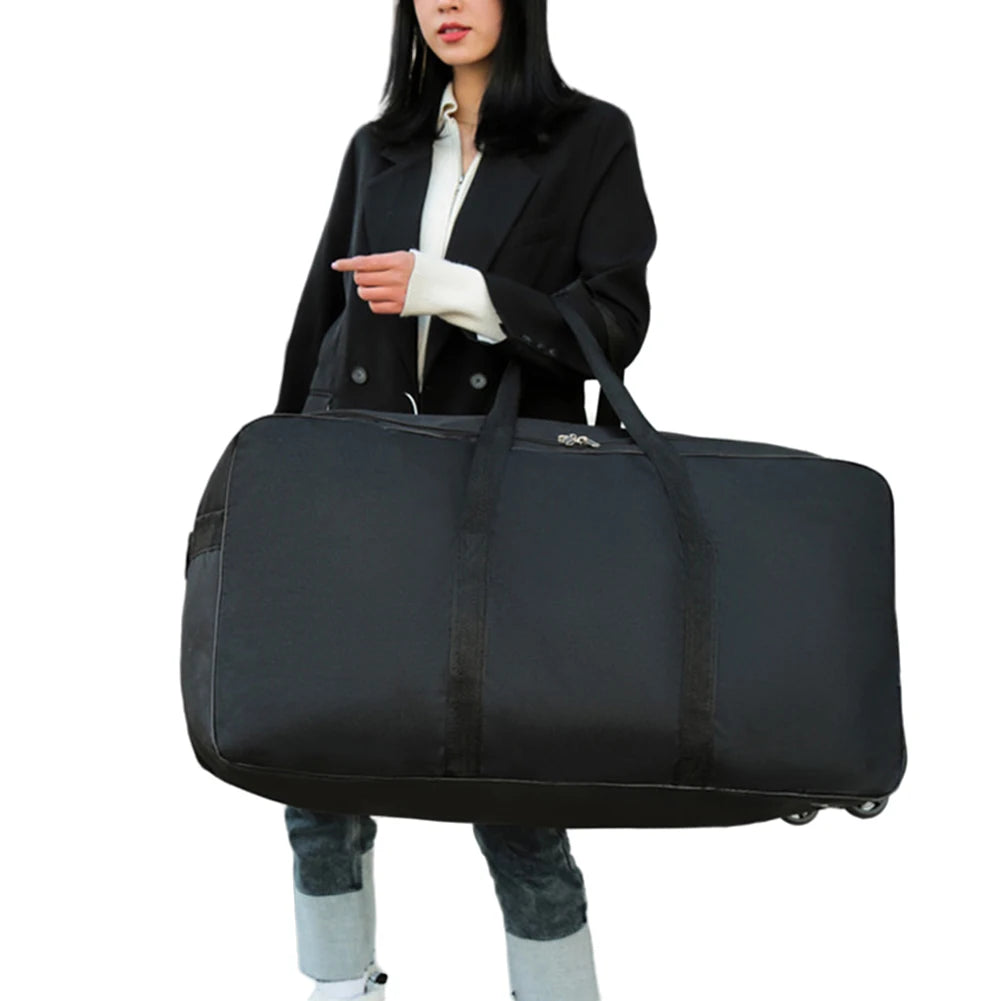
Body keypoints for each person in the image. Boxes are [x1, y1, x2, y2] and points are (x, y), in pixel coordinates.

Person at [276, 2, 657, 999]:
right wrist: (277, 478)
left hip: (512, 497)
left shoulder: (589, 137)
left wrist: (454, 289)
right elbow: (320, 314)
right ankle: (337, 983)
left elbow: (612, 324)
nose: (446, 2)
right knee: (315, 767)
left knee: (514, 784)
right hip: (362, 491)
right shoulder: (381, 147)